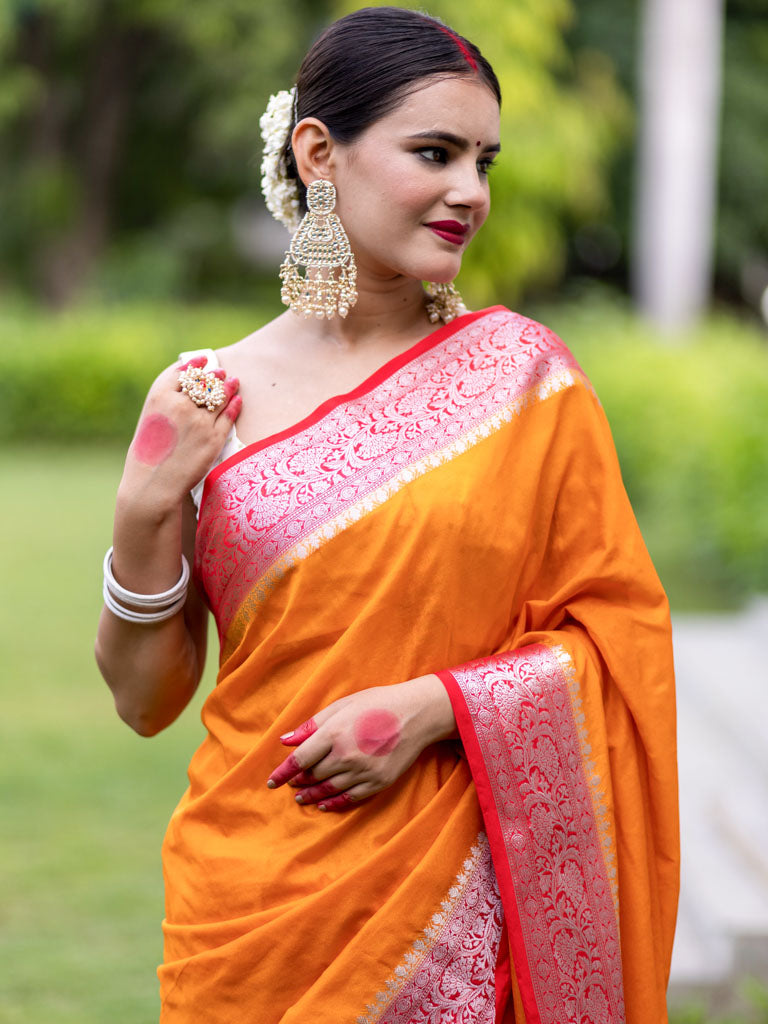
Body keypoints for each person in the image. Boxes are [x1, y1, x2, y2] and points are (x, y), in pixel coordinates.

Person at [94, 7, 679, 1023]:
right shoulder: (205, 398)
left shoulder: (524, 382)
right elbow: (147, 701)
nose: (471, 192)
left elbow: (620, 640)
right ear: (321, 152)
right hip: (252, 903)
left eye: (483, 161)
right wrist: (145, 508)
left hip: (457, 896)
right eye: (435, 152)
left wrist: (438, 708)